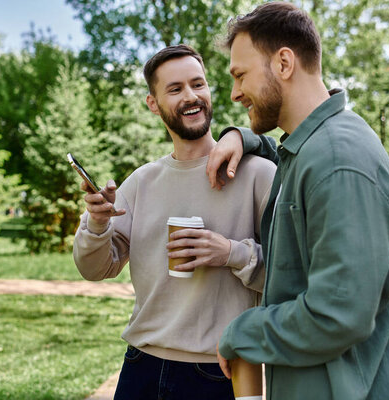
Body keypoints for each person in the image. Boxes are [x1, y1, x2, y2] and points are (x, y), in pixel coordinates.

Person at [207, 3, 389, 400]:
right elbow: (284, 153)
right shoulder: (311, 148)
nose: (234, 93)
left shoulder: (338, 162)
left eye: (240, 75)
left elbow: (337, 315)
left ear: (284, 62)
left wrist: (243, 331)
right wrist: (243, 138)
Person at [72, 44, 276, 400]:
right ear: (153, 104)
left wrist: (231, 252)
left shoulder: (257, 174)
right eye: (175, 89)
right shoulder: (141, 182)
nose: (191, 96)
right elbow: (95, 269)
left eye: (198, 84)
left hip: (220, 370)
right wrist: (97, 224)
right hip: (141, 365)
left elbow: (289, 274)